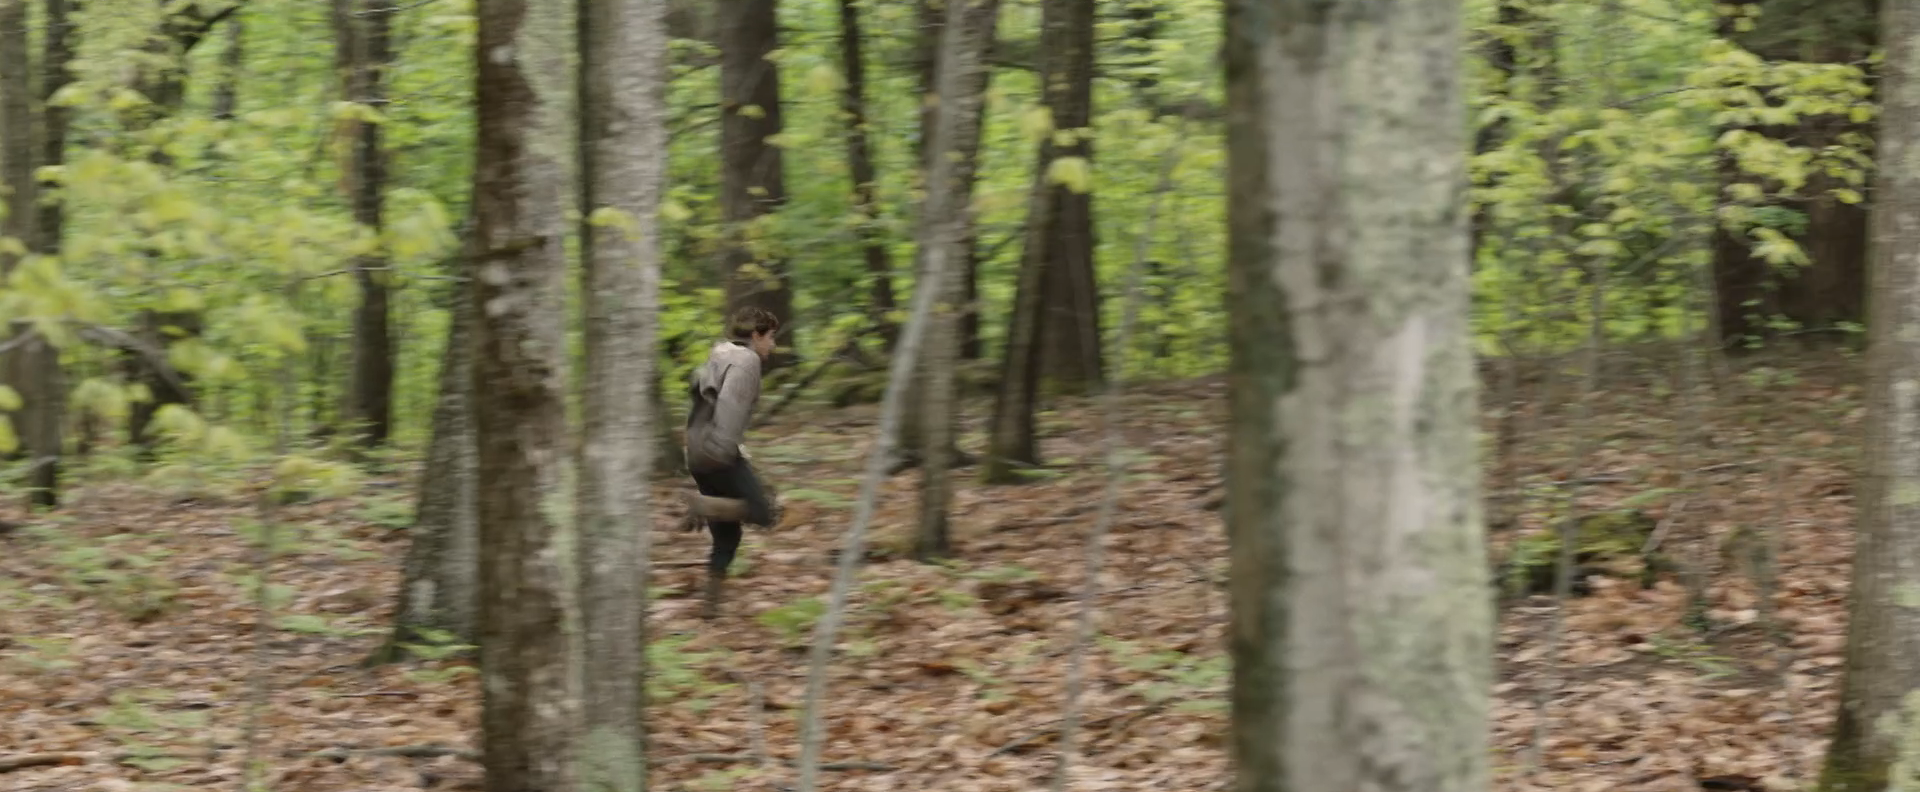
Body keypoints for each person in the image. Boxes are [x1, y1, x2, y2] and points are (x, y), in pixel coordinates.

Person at [681, 306, 781, 617]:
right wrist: (727, 455)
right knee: (765, 512)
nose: (773, 346)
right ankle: (704, 505)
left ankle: (710, 608)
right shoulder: (746, 361)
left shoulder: (720, 354)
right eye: (770, 338)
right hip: (717, 450)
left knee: (728, 534)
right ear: (755, 336)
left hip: (696, 451)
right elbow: (731, 409)